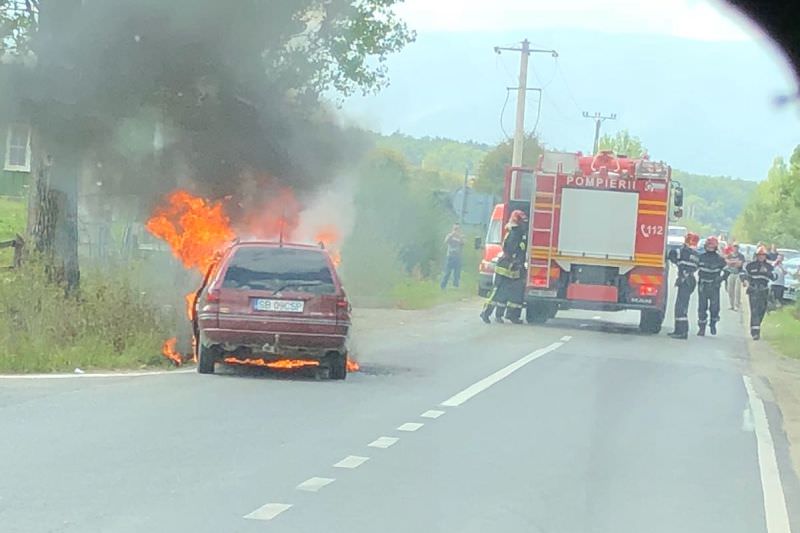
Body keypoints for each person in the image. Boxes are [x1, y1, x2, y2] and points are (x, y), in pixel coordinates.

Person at [480, 210, 528, 324]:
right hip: (507, 267)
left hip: (514, 267)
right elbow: (511, 249)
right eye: (523, 221)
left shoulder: (518, 233)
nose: (524, 224)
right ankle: (486, 312)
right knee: (499, 291)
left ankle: (509, 315)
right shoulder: (515, 233)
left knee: (514, 293)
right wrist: (515, 260)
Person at [667, 231, 700, 339]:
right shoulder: (696, 254)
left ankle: (682, 332)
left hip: (685, 280)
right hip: (690, 280)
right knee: (681, 306)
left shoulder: (683, 251)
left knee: (681, 307)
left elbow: (672, 254)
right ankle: (678, 330)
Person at [741, 245, 777, 340]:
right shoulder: (750, 265)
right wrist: (745, 281)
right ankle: (755, 332)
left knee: (761, 311)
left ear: (765, 256)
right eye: (759, 255)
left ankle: (756, 326)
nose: (761, 257)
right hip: (753, 290)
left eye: (763, 255)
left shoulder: (769, 267)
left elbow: (775, 277)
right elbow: (743, 274)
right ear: (756, 255)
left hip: (764, 291)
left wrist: (767, 272)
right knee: (754, 311)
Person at [696, 236, 728, 336]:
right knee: (702, 307)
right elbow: (693, 267)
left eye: (712, 246)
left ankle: (713, 324)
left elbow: (727, 271)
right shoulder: (701, 257)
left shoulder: (720, 259)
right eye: (708, 245)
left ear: (715, 247)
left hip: (714, 286)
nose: (710, 248)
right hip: (703, 285)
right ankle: (702, 328)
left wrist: (721, 279)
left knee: (714, 308)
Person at [440, 224, 464, 289]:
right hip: (450, 256)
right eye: (455, 228)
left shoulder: (460, 237)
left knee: (457, 273)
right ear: (452, 229)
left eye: (457, 229)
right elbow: (445, 241)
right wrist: (451, 235)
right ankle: (443, 286)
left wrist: (460, 237)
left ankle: (455, 286)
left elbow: (463, 243)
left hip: (457, 257)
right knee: (447, 272)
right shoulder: (450, 235)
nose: (456, 230)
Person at [725, 243, 746, 311]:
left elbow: (739, 264)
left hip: (738, 274)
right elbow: (727, 263)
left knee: (737, 290)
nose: (735, 248)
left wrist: (732, 262)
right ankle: (732, 305)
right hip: (731, 273)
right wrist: (733, 262)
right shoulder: (729, 255)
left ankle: (737, 305)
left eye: (736, 247)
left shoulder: (741, 256)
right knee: (730, 290)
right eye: (734, 247)